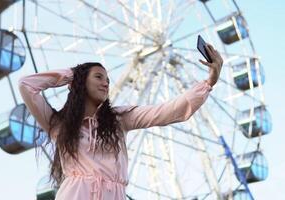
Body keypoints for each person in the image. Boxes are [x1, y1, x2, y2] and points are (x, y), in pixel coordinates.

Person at [18, 44, 223, 200]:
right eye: (98, 77)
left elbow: (168, 111)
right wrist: (73, 74)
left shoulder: (119, 120)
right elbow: (27, 85)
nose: (105, 82)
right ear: (80, 83)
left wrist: (208, 83)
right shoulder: (59, 125)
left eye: (107, 79)